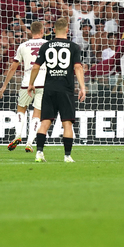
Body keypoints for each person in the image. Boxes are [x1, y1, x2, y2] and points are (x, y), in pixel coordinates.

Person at [28, 18, 86, 163]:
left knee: (45, 122)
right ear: (67, 30)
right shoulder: (74, 47)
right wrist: (82, 87)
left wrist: (31, 84)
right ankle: (67, 156)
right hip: (66, 89)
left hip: (49, 88)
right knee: (67, 123)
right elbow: (78, 67)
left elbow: (35, 67)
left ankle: (39, 153)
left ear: (53, 30)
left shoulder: (46, 45)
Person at [0, 22, 47, 153]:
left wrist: (4, 85)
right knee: (37, 114)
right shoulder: (47, 45)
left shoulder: (23, 45)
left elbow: (13, 67)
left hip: (27, 83)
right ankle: (30, 143)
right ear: (42, 31)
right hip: (43, 83)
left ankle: (18, 135)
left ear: (30, 32)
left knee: (21, 110)